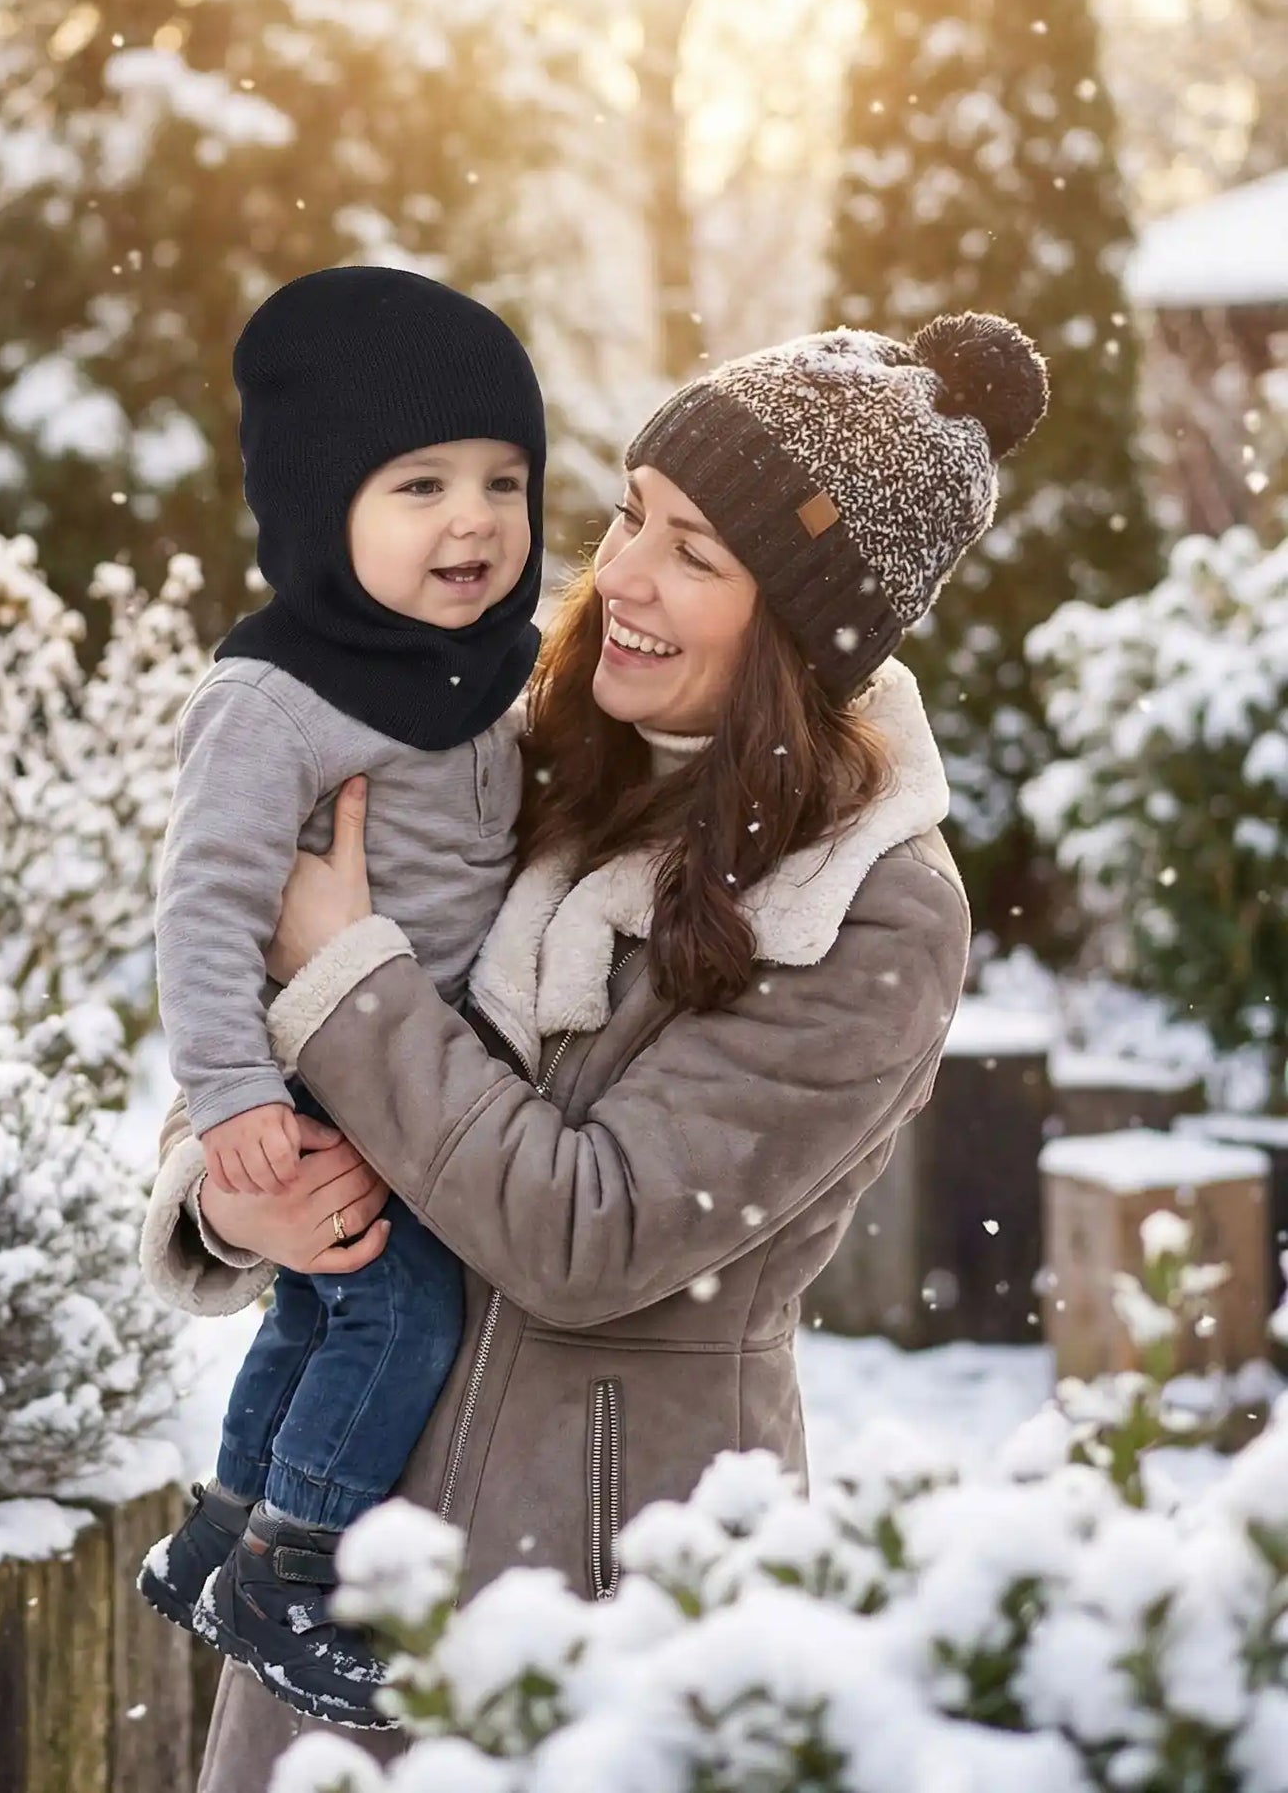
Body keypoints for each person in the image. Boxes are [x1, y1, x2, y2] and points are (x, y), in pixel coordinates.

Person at [139, 312, 1050, 1786]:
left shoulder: (870, 908)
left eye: (695, 552)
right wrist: (224, 1185)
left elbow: (586, 1230)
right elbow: (262, 980)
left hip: (610, 1587)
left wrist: (348, 978)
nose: (619, 575)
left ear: (800, 625)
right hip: (342, 1553)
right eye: (630, 513)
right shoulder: (512, 745)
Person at [138, 265, 547, 1726]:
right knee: (397, 1318)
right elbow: (203, 910)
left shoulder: (496, 672)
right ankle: (289, 1566)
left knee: (312, 1322)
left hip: (410, 1058)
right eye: (419, 482)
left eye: (504, 480)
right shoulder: (274, 697)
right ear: (324, 504)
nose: (473, 520)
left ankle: (218, 1529)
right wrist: (237, 1095)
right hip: (314, 1070)